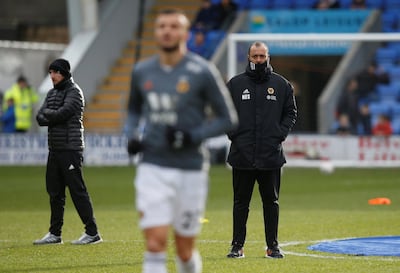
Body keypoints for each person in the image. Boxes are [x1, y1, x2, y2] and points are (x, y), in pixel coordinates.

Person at [124, 9, 237, 273]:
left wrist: (192, 136)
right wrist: (131, 135)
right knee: (155, 243)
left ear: (185, 33)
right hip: (153, 166)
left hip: (191, 169)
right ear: (156, 32)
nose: (167, 31)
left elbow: (228, 119)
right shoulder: (142, 70)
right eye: (162, 26)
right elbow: (132, 110)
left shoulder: (202, 71)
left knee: (185, 250)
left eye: (174, 26)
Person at [225, 41, 297, 259]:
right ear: (248, 57)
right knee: (240, 203)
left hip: (270, 155)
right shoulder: (235, 85)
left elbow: (291, 113)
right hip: (242, 154)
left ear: (268, 57)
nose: (258, 60)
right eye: (254, 56)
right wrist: (235, 136)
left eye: (262, 56)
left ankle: (272, 246)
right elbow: (225, 113)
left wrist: (279, 135)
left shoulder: (282, 85)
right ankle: (237, 246)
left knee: (271, 203)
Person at [34, 58, 102, 245]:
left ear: (64, 73)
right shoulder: (51, 93)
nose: (52, 76)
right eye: (50, 73)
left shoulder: (75, 92)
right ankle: (55, 234)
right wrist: (50, 115)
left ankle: (92, 232)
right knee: (55, 192)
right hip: (54, 149)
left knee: (77, 191)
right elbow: (39, 117)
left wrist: (49, 114)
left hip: (70, 148)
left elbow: (62, 114)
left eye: (55, 72)